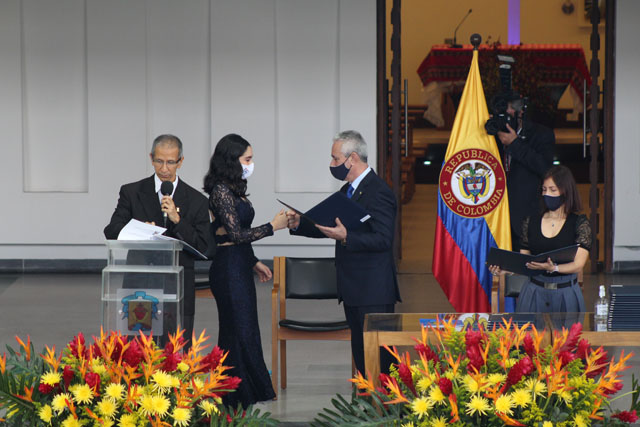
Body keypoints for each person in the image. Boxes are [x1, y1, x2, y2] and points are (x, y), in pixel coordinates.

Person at [286, 130, 400, 375]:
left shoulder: (379, 191)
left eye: (336, 158)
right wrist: (298, 224)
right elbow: (326, 225)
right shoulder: (347, 190)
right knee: (361, 353)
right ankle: (368, 395)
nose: (332, 163)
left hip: (373, 289)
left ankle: (392, 398)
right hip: (352, 288)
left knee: (380, 357)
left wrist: (347, 236)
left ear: (353, 158)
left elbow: (383, 239)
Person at [203, 133, 288, 408]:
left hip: (239, 263)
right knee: (237, 330)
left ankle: (243, 391)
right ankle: (235, 393)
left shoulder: (233, 188)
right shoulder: (221, 191)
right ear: (232, 160)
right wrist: (272, 227)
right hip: (228, 269)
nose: (251, 164)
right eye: (247, 159)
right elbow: (236, 235)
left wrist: (253, 261)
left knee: (244, 329)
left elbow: (237, 238)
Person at [104, 134, 210, 348]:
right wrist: (140, 229)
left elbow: (206, 247)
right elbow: (112, 230)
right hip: (140, 283)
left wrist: (178, 221)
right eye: (159, 161)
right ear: (151, 158)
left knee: (176, 350)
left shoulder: (197, 200)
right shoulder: (132, 192)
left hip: (177, 284)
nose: (164, 169)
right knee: (138, 349)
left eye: (171, 162)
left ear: (180, 161)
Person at [489, 165, 591, 313]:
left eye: (552, 190)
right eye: (544, 190)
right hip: (533, 292)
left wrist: (553, 268)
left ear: (566, 191)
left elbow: (578, 264)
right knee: (527, 328)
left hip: (566, 293)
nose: (547, 194)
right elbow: (525, 262)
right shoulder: (531, 221)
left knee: (568, 329)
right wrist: (506, 269)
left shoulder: (579, 223)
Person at [495, 92, 555, 251]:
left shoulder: (541, 134)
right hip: (494, 218)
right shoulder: (492, 133)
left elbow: (545, 168)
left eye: (508, 110)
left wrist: (514, 144)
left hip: (525, 217)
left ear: (520, 111)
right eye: (500, 111)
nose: (504, 116)